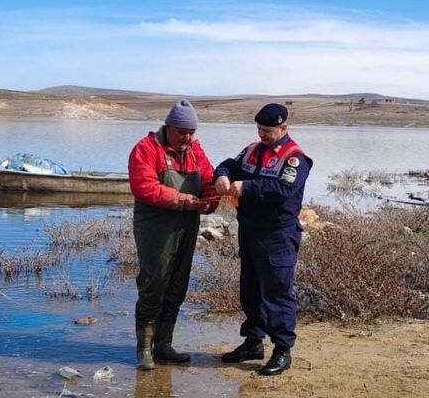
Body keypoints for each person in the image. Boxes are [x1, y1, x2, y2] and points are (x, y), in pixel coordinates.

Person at [214, 103, 313, 376]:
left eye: (268, 131)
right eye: (260, 129)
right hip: (249, 232)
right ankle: (253, 342)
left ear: (283, 128)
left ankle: (282, 350)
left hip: (277, 235)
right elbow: (229, 165)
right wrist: (222, 176)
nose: (263, 135)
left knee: (277, 293)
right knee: (251, 289)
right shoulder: (251, 149)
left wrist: (247, 187)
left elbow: (283, 188)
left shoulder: (295, 158)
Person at [128, 99, 218, 371]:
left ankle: (164, 345)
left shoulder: (194, 149)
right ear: (168, 127)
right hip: (155, 227)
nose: (187, 138)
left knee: (177, 285)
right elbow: (144, 187)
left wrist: (212, 198)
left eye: (191, 133)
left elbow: (208, 178)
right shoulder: (145, 148)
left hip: (186, 226)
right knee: (153, 284)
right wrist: (182, 200)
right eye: (182, 132)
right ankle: (144, 348)